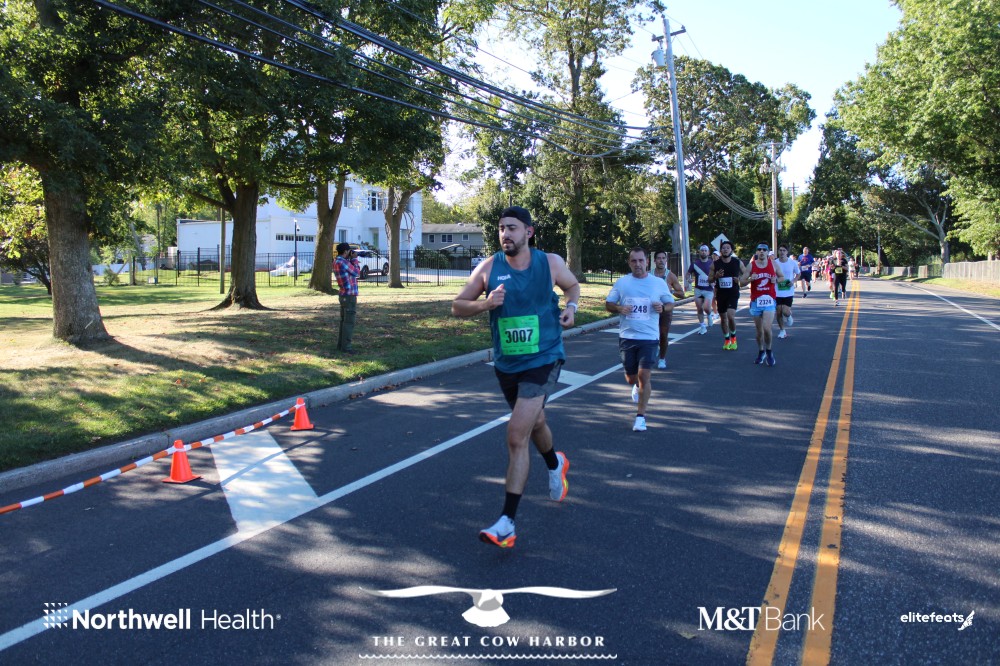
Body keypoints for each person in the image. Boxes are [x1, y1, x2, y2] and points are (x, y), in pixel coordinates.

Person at [452, 206, 580, 549]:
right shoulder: (488, 268)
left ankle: (507, 523)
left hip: (545, 356)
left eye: (512, 228)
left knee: (515, 433)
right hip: (507, 362)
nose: (505, 234)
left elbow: (572, 286)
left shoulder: (549, 262)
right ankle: (555, 462)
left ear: (529, 232)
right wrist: (485, 304)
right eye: (501, 229)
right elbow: (457, 306)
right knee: (535, 422)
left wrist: (571, 308)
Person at [606, 248, 675, 432]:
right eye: (634, 261)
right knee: (631, 378)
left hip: (649, 337)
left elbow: (671, 303)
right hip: (627, 337)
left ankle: (640, 417)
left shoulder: (658, 283)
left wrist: (663, 308)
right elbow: (608, 304)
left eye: (641, 260)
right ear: (629, 263)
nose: (638, 264)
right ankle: (636, 385)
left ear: (647, 262)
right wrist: (619, 308)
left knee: (645, 376)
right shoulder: (622, 282)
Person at [741, 243, 785, 366]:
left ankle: (769, 351)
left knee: (766, 328)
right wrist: (751, 279)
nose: (761, 251)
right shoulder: (751, 265)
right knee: (759, 331)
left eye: (764, 250)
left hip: (769, 300)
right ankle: (761, 351)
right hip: (756, 301)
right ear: (756, 252)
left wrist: (776, 280)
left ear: (767, 252)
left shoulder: (773, 264)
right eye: (759, 249)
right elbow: (741, 282)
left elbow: (782, 277)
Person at [651, 251, 686, 368]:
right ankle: (655, 346)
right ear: (654, 261)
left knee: (663, 334)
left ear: (666, 260)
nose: (661, 260)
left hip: (666, 309)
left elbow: (682, 294)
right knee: (651, 334)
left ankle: (662, 359)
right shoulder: (649, 275)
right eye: (659, 258)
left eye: (663, 258)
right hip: (652, 309)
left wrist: (671, 291)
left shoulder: (670, 276)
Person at [711, 241, 744, 350]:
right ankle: (726, 339)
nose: (725, 249)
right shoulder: (715, 264)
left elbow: (746, 275)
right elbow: (709, 279)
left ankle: (733, 337)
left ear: (731, 250)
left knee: (730, 316)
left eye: (728, 248)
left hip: (733, 293)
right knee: (723, 318)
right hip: (721, 294)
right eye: (723, 248)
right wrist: (716, 276)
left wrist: (739, 279)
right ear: (721, 251)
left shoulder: (737, 262)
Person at [334, 242, 361, 352]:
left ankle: (341, 345)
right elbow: (357, 272)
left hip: (343, 294)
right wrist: (354, 259)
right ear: (345, 251)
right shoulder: (343, 262)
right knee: (349, 322)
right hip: (349, 295)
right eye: (349, 250)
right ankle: (346, 347)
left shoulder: (337, 261)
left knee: (343, 321)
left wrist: (350, 259)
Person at [687, 245, 716, 335]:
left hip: (708, 289)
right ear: (699, 252)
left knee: (706, 307)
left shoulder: (712, 263)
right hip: (698, 289)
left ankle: (709, 314)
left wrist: (714, 281)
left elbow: (717, 274)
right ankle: (703, 327)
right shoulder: (695, 264)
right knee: (699, 308)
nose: (703, 252)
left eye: (705, 250)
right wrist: (688, 279)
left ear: (708, 252)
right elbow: (688, 274)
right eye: (702, 250)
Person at [773, 244, 800, 339]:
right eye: (780, 250)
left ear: (787, 252)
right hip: (777, 291)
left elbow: (798, 273)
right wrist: (775, 280)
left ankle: (789, 316)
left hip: (788, 291)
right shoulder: (774, 263)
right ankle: (782, 330)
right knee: (778, 311)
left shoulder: (792, 263)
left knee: (785, 311)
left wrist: (793, 281)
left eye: (784, 250)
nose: (782, 252)